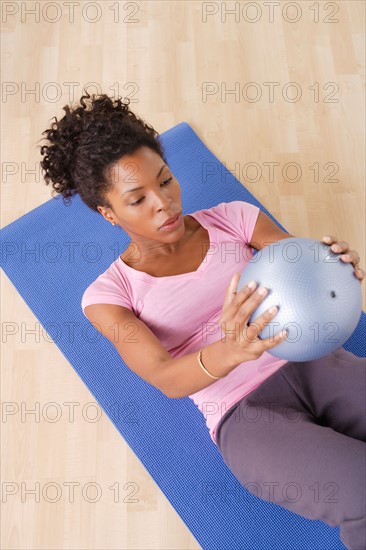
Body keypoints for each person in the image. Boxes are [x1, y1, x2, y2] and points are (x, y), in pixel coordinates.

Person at [39, 91, 365, 550]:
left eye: (166, 181)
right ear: (109, 214)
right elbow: (166, 378)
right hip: (245, 416)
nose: (164, 203)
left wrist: (333, 265)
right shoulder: (108, 296)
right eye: (138, 199)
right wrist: (231, 350)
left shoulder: (233, 218)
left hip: (316, 363)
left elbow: (297, 260)